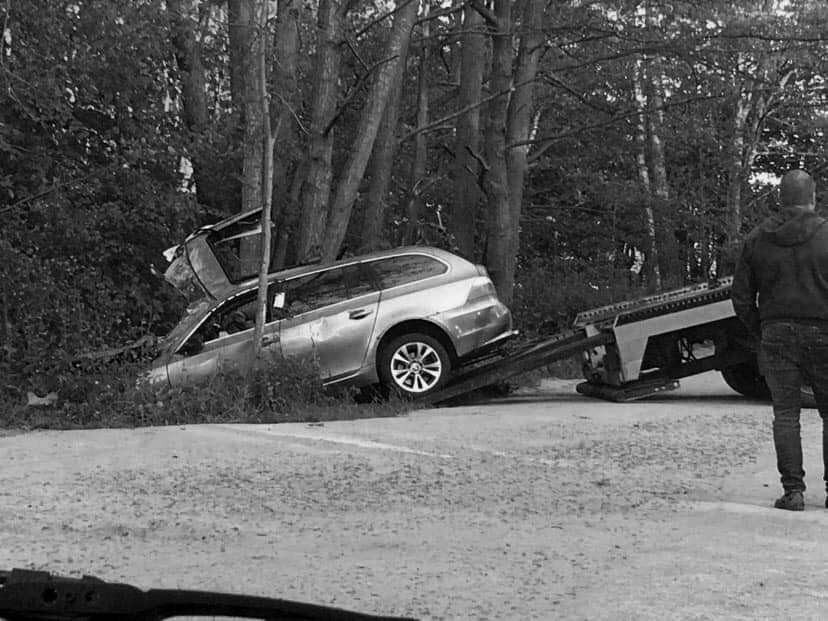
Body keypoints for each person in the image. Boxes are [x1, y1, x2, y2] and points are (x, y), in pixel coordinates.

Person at [733, 169, 828, 511]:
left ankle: (793, 492)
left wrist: (762, 328)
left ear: (780, 200)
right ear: (813, 197)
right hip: (824, 332)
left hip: (775, 333)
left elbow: (741, 298)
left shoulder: (757, 239)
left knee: (785, 414)